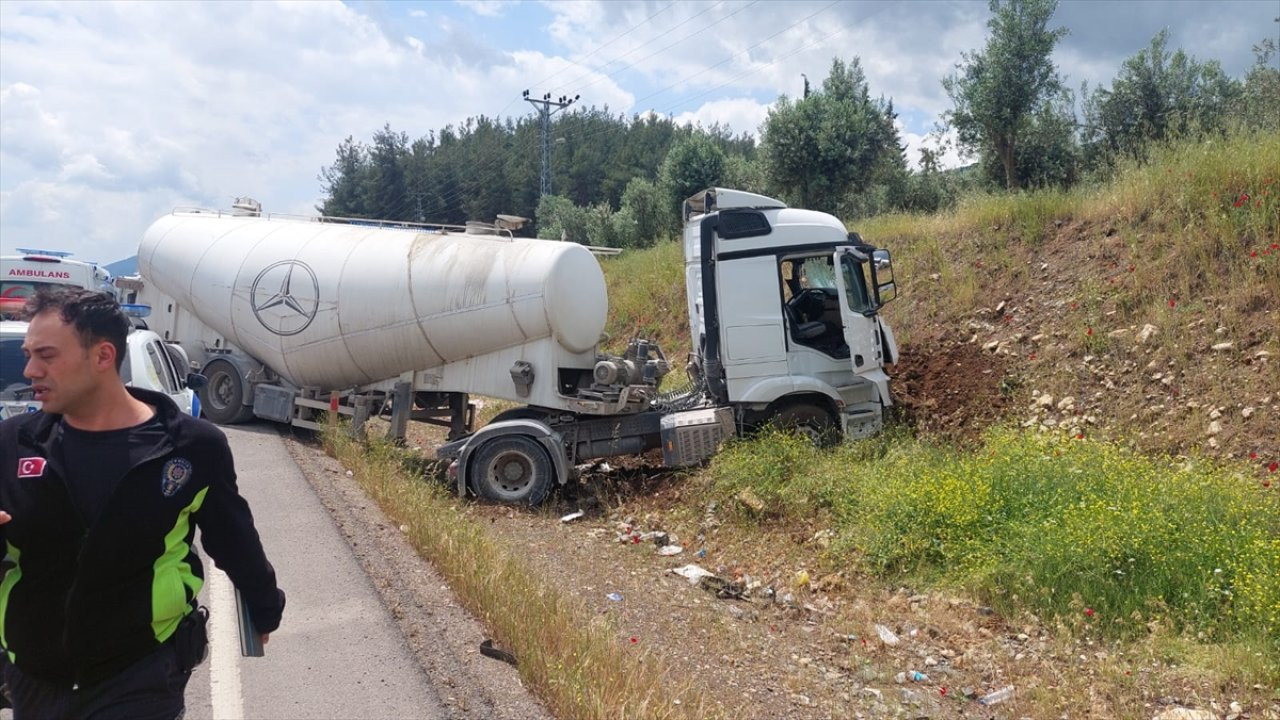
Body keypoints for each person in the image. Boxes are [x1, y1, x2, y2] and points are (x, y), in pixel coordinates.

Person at [0, 288, 285, 719]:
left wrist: (264, 608)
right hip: (35, 675)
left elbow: (234, 538)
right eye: (28, 354)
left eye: (46, 355)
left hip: (141, 671)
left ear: (102, 356)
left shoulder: (190, 447)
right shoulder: (12, 443)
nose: (29, 369)